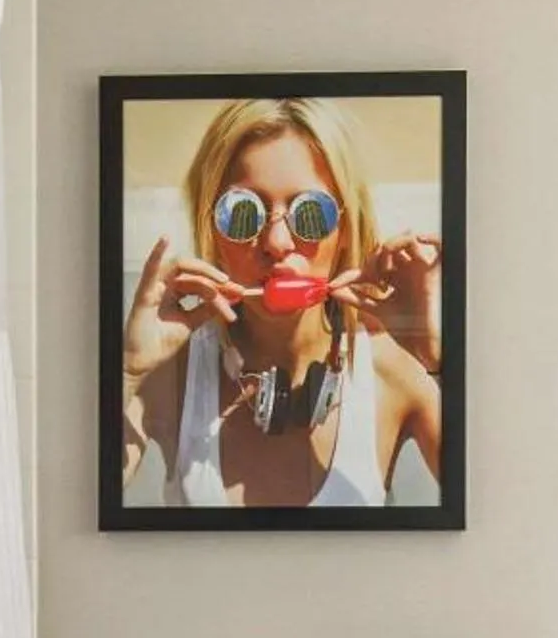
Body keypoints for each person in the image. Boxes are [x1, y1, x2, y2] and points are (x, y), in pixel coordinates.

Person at [121, 98, 443, 507]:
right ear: (211, 230)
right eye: (241, 214)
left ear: (346, 229)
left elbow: (508, 516)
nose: (276, 244)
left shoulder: (393, 371)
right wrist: (128, 372)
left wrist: (434, 358)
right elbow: (62, 511)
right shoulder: (173, 371)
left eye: (310, 214)